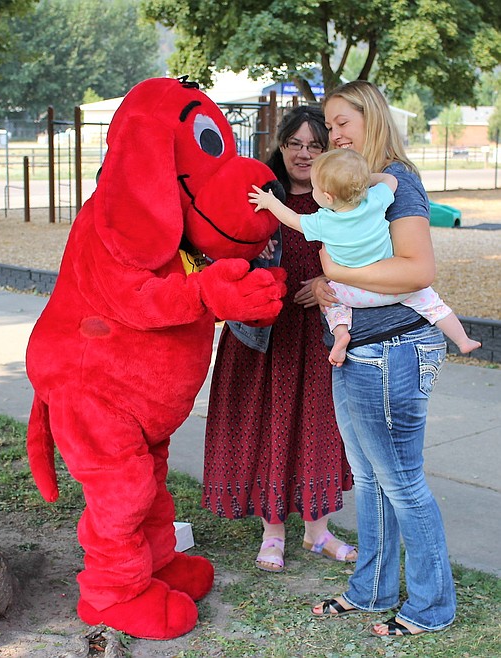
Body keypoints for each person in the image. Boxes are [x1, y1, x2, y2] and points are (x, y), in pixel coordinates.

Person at [305, 80, 456, 638]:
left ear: (372, 119)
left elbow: (417, 271)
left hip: (394, 348)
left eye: (343, 121)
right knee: (368, 481)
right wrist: (329, 283)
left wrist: (338, 275)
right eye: (329, 124)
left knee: (402, 483)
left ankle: (431, 606)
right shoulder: (353, 189)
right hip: (357, 350)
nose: (333, 134)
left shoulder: (399, 184)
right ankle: (370, 590)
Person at [201, 105, 355, 573]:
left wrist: (332, 285)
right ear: (280, 146)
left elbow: (368, 258)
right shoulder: (258, 196)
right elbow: (221, 252)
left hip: (319, 335)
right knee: (269, 425)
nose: (304, 154)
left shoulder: (343, 201)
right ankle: (272, 533)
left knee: (318, 428)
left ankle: (318, 532)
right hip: (263, 337)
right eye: (295, 144)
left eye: (315, 145)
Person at [249, 148, 481, 366]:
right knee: (432, 303)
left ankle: (341, 334)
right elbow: (392, 181)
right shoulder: (375, 201)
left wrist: (270, 202)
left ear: (328, 197)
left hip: (353, 293)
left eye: (315, 187)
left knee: (332, 302)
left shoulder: (323, 222)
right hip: (394, 287)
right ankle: (462, 340)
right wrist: (363, 180)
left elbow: (290, 218)